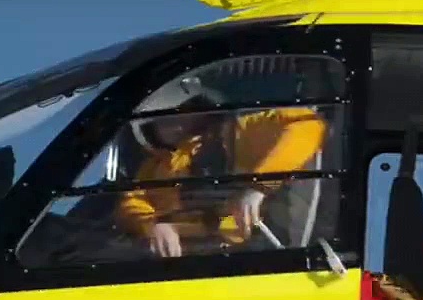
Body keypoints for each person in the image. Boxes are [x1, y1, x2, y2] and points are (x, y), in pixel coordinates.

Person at [115, 88, 328, 257]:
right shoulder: (153, 168)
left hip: (241, 255)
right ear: (149, 129)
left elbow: (306, 124)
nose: (176, 123)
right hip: (178, 259)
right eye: (163, 120)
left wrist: (259, 186)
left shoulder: (234, 133)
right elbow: (131, 204)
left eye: (183, 110)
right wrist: (153, 225)